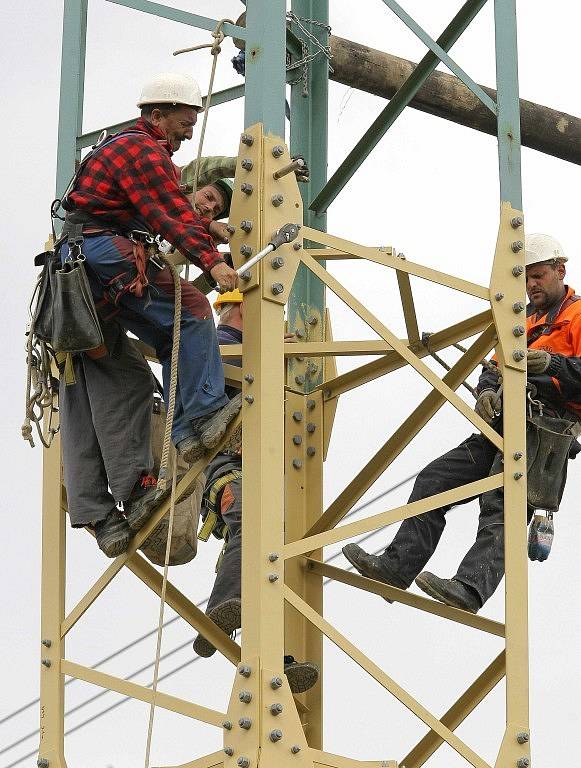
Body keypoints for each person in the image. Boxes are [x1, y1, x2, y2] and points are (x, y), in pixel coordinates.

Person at [342, 233, 581, 614]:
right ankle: (396, 569)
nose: (531, 285)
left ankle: (469, 589)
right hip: (504, 424)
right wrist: (486, 391)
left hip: (545, 430)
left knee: (501, 506)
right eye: (526, 278)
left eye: (538, 276)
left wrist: (552, 364)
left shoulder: (577, 316)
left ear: (559, 271)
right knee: (435, 480)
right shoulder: (520, 321)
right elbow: (494, 366)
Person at [56, 71, 241, 556]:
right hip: (101, 262)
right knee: (193, 310)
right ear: (156, 114)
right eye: (184, 122)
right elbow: (170, 214)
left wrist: (208, 229)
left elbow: (168, 209)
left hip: (76, 293)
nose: (186, 133)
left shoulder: (122, 150)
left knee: (121, 387)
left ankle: (110, 514)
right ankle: (198, 419)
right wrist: (214, 262)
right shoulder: (142, 149)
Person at [191, 290, 319, 694]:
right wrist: (266, 354)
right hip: (226, 471)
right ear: (247, 307)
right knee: (249, 525)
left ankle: (271, 655)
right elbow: (226, 369)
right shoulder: (219, 342)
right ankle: (217, 614)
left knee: (268, 554)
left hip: (251, 470)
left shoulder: (239, 348)